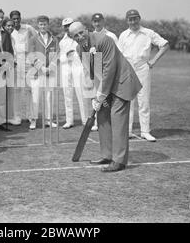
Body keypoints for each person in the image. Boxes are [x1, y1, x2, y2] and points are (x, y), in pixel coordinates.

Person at [68, 21, 142, 172]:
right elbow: (94, 72)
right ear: (72, 38)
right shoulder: (79, 49)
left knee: (117, 119)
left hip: (121, 82)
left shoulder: (103, 40)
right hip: (106, 84)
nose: (80, 37)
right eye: (76, 36)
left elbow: (109, 68)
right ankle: (107, 155)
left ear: (86, 30)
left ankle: (119, 161)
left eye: (81, 32)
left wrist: (101, 93)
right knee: (102, 116)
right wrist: (97, 96)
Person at [118, 9, 169, 142]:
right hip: (127, 69)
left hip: (142, 68)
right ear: (127, 21)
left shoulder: (148, 33)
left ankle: (145, 131)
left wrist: (153, 61)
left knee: (144, 100)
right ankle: (127, 131)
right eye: (130, 19)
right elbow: (118, 54)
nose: (133, 21)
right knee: (128, 101)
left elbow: (164, 45)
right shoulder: (123, 35)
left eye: (135, 18)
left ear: (139, 18)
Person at [27, 15, 59, 130]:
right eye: (41, 24)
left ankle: (48, 120)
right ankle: (33, 120)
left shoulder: (54, 39)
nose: (43, 26)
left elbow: (56, 55)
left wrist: (50, 67)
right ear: (38, 25)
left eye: (45, 24)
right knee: (35, 96)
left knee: (48, 96)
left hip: (49, 73)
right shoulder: (33, 39)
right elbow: (31, 55)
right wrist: (41, 68)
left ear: (48, 25)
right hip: (36, 72)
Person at [59, 17, 87, 128]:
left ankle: (85, 120)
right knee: (67, 94)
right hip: (66, 68)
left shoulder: (79, 37)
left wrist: (74, 55)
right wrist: (66, 57)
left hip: (77, 68)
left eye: (69, 25)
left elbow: (82, 53)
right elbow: (61, 57)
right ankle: (69, 120)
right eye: (65, 26)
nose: (67, 28)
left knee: (81, 94)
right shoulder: (62, 41)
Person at [9, 10, 36, 125]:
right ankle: (17, 116)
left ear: (20, 18)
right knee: (17, 90)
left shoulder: (28, 28)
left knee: (29, 89)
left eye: (17, 18)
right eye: (13, 19)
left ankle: (30, 116)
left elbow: (37, 38)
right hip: (15, 62)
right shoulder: (9, 30)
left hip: (27, 60)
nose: (16, 21)